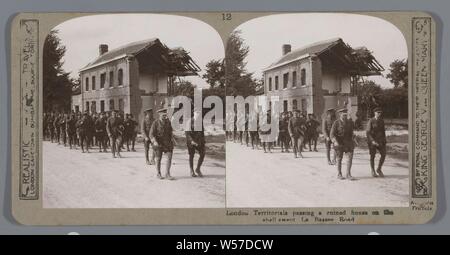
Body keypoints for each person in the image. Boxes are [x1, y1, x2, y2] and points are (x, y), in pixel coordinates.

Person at [150, 108, 175, 180]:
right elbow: (151, 134)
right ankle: (158, 173)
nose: (165, 117)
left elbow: (170, 132)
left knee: (169, 157)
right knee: (158, 159)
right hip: (158, 143)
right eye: (163, 115)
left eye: (165, 115)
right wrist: (154, 141)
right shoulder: (155, 123)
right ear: (159, 115)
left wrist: (172, 138)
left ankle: (167, 174)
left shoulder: (168, 122)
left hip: (167, 143)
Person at [330, 108, 355, 180]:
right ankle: (339, 174)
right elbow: (332, 134)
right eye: (343, 115)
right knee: (339, 159)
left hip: (348, 143)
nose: (344, 116)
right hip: (339, 143)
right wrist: (335, 141)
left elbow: (351, 132)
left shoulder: (349, 122)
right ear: (340, 114)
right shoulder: (336, 123)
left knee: (350, 158)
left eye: (345, 115)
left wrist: (353, 137)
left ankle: (348, 174)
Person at [366, 107, 387, 177]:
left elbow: (383, 131)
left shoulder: (381, 121)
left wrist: (384, 140)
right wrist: (372, 141)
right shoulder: (371, 121)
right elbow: (368, 133)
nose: (379, 114)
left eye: (380, 112)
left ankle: (379, 169)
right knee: (372, 156)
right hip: (372, 141)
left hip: (380, 141)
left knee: (383, 154)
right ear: (374, 113)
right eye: (378, 112)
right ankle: (373, 170)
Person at [185, 109, 206, 177]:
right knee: (191, 155)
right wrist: (192, 141)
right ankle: (191, 170)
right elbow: (187, 133)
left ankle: (198, 169)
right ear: (193, 113)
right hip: (191, 141)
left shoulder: (200, 121)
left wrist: (203, 141)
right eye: (197, 112)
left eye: (199, 113)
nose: (198, 114)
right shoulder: (189, 121)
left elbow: (202, 132)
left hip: (199, 141)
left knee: (202, 154)